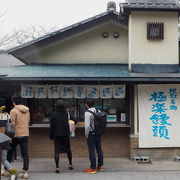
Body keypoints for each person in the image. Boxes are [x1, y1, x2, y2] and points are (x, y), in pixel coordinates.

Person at [7, 94, 30, 179]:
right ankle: (25, 172)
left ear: (13, 102)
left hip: (15, 135)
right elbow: (28, 121)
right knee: (25, 154)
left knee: (9, 152)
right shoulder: (27, 110)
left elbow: (12, 124)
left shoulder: (13, 111)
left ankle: (8, 171)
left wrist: (10, 136)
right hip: (25, 134)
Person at [49, 99, 74, 173]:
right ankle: (70, 164)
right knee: (68, 150)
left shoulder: (53, 114)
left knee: (57, 151)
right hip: (65, 135)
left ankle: (57, 167)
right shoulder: (67, 114)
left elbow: (52, 127)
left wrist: (51, 136)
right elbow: (75, 120)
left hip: (57, 135)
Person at [83, 99, 104, 174]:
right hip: (98, 133)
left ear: (86, 104)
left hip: (91, 134)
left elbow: (87, 126)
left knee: (92, 151)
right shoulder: (98, 110)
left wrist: (86, 134)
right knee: (99, 150)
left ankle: (93, 168)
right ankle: (100, 166)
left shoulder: (87, 112)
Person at [0, 97, 17, 177]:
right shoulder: (7, 115)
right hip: (4, 139)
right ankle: (13, 175)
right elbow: (10, 128)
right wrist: (9, 138)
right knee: (4, 159)